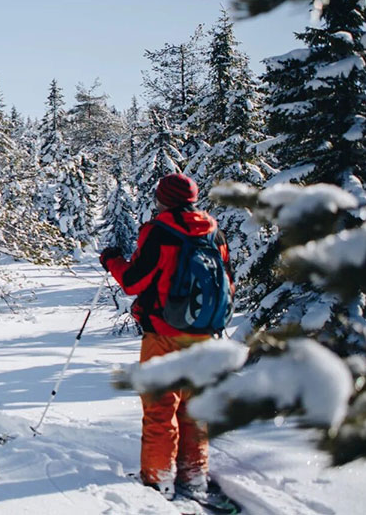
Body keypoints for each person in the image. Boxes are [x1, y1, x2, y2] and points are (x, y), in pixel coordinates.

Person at [99, 173, 237, 513]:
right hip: (206, 336)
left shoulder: (159, 232)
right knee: (194, 410)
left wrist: (111, 260)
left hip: (164, 334)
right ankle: (193, 477)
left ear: (165, 199)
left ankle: (158, 479)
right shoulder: (213, 231)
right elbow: (228, 281)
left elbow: (133, 280)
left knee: (161, 410)